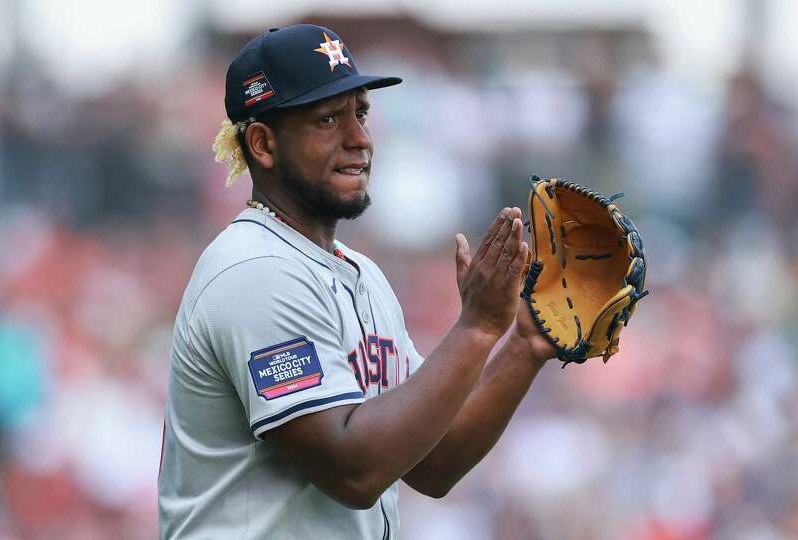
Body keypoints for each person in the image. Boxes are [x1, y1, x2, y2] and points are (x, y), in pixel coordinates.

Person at [158, 24, 556, 539]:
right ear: (262, 143)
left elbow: (434, 461)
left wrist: (524, 344)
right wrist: (476, 328)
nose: (360, 139)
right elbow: (355, 471)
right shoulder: (254, 271)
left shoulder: (358, 273)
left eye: (360, 113)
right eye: (328, 119)